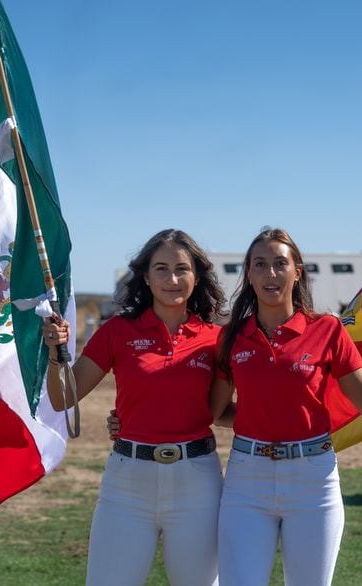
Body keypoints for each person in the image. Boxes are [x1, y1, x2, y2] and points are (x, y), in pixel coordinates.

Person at [210, 227, 362, 585]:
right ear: (248, 274)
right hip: (246, 482)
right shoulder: (230, 336)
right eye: (260, 264)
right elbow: (216, 412)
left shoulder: (326, 329)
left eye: (280, 263)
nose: (271, 274)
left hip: (313, 482)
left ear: (298, 271)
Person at [43, 229, 227, 585]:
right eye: (161, 268)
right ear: (145, 276)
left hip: (198, 483)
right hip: (127, 485)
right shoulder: (117, 331)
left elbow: (225, 409)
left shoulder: (217, 338)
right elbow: (63, 397)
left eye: (181, 269)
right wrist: (56, 353)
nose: (171, 279)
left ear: (197, 276)